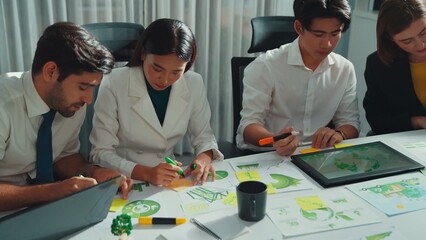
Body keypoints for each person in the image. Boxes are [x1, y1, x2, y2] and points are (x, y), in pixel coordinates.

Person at [0, 22, 132, 212]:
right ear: (51, 71)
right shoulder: (3, 104)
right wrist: (55, 191)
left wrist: (94, 171)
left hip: (38, 208)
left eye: (92, 89)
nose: (88, 100)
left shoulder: (70, 104)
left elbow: (64, 156)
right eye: (83, 87)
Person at [90, 18, 223, 186]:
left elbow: (204, 135)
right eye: (157, 68)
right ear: (143, 53)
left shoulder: (194, 83)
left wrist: (205, 157)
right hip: (126, 178)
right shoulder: (114, 82)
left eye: (176, 72)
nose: (165, 79)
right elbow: (100, 152)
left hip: (169, 177)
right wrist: (147, 173)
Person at [237, 0, 360, 156]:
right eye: (318, 34)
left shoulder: (344, 69)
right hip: (269, 153)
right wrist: (274, 140)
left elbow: (350, 123)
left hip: (317, 154)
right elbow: (248, 127)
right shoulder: (265, 66)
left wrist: (339, 134)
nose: (327, 44)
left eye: (335, 34)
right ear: (299, 28)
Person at [363, 0, 426, 135]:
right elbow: (376, 119)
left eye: (424, 32)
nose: (421, 45)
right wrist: (415, 121)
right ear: (389, 38)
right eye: (407, 41)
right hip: (407, 140)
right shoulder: (378, 64)